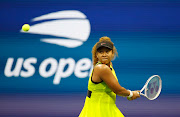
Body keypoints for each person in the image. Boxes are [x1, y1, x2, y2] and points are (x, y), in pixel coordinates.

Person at [79, 36, 140, 117]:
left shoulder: (109, 65)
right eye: (101, 52)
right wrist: (131, 94)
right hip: (96, 112)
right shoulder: (102, 68)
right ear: (97, 54)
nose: (104, 55)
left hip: (108, 109)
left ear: (112, 53)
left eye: (107, 51)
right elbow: (118, 90)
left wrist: (129, 94)